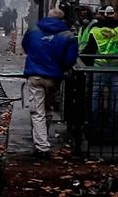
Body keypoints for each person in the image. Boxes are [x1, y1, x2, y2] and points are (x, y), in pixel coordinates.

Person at [21, 8, 80, 156]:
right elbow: (70, 59)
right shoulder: (68, 36)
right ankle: (42, 137)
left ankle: (42, 145)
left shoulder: (34, 30)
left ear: (48, 16)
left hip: (35, 74)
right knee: (48, 108)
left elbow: (26, 46)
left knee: (36, 111)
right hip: (54, 76)